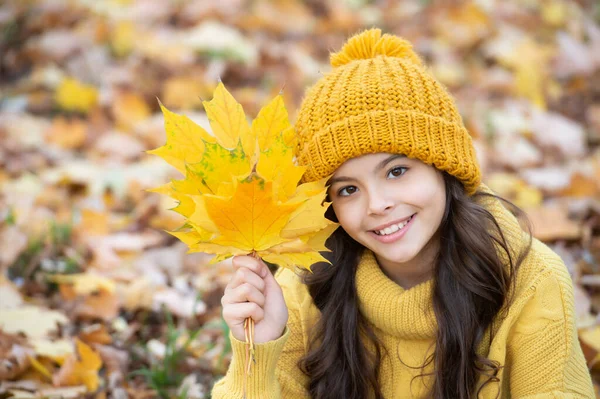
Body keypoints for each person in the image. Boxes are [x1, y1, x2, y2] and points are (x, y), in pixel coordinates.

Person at [211, 28, 595, 398]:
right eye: (348, 189)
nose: (377, 204)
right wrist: (257, 349)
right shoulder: (306, 288)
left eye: (396, 171)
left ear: (444, 168)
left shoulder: (530, 280)